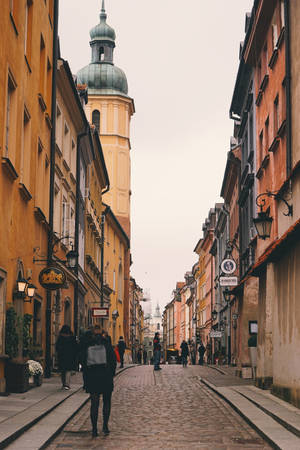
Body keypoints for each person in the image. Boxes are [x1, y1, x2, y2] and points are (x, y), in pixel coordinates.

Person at [81, 325, 116, 437]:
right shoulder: (106, 343)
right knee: (107, 402)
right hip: (105, 376)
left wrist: (86, 377)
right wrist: (111, 374)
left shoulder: (87, 344)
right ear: (102, 333)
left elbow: (82, 361)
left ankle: (94, 429)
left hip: (92, 377)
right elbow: (113, 360)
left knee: (94, 403)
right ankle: (105, 426)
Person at [56, 325, 78, 390]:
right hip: (70, 356)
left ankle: (63, 384)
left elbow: (57, 347)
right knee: (68, 370)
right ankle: (67, 384)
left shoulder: (60, 337)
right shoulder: (72, 337)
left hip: (62, 356)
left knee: (63, 371)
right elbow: (76, 347)